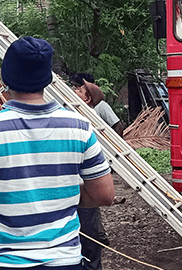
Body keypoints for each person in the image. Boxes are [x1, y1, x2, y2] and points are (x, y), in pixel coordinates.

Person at [0, 36, 115, 270]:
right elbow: (104, 195)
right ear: (48, 79)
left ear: (5, 77)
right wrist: (59, 194)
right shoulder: (79, 127)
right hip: (64, 262)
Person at [70, 73, 124, 270]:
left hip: (89, 171)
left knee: (89, 218)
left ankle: (92, 260)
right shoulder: (71, 112)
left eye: (79, 89)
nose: (74, 91)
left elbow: (118, 125)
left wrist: (111, 150)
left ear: (88, 97)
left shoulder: (96, 111)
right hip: (73, 174)